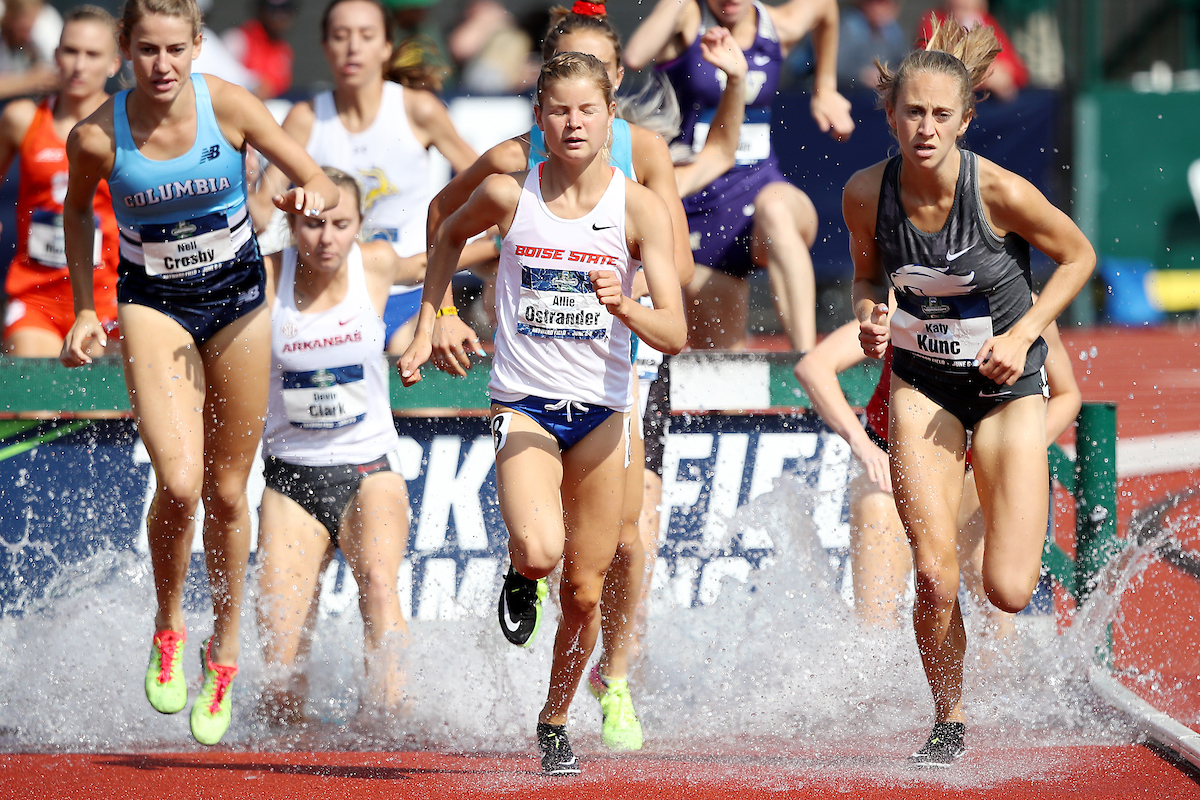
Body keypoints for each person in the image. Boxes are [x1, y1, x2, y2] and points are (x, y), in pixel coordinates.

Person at [424, 2, 742, 753]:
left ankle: (596, 692)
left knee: (614, 559)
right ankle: (523, 571)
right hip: (530, 390)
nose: (574, 118)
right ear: (543, 102)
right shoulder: (512, 172)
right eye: (560, 103)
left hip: (619, 382)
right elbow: (445, 222)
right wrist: (433, 312)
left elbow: (677, 303)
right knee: (542, 549)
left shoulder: (644, 165)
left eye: (591, 99)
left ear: (614, 93)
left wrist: (625, 297)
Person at [59, 0, 338, 746]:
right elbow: (79, 211)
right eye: (146, 49)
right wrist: (86, 307)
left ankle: (227, 648)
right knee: (178, 483)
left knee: (224, 490)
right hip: (154, 302)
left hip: (239, 301)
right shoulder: (97, 134)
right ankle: (170, 622)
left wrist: (305, 193)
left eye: (175, 49)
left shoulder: (232, 104)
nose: (161, 65)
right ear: (125, 49)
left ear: (196, 46)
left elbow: (312, 176)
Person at [846, 18, 1094, 765]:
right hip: (923, 384)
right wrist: (867, 311)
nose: (925, 128)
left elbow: (1078, 256)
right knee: (931, 570)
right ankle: (948, 716)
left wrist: (1024, 336)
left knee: (1010, 591)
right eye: (912, 113)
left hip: (1008, 386)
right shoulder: (867, 193)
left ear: (966, 120)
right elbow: (864, 273)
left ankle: (1003, 498)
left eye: (940, 115)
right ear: (891, 116)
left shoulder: (995, 189)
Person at [794, 314, 1081, 628]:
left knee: (998, 618)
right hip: (896, 469)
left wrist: (1018, 451)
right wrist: (862, 446)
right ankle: (895, 676)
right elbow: (813, 367)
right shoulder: (907, 295)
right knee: (877, 621)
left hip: (975, 471)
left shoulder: (1025, 305)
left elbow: (1067, 395)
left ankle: (997, 675)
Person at [256, 167, 411, 727]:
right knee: (279, 662)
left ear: (360, 226)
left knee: (378, 586)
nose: (327, 239)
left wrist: (440, 316)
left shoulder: (375, 263)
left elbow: (441, 262)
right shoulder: (268, 275)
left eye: (341, 224)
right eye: (313, 224)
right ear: (292, 224)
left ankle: (392, 734)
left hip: (370, 468)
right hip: (291, 476)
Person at [625, 0, 856, 352]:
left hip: (761, 191)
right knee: (721, 372)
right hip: (697, 204)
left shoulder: (775, 27)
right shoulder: (687, 19)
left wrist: (825, 86)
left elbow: (824, 8)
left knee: (776, 209)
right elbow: (635, 56)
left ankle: (808, 363)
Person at [255, 0, 481, 355]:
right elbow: (261, 208)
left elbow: (487, 185)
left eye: (366, 35)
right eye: (341, 36)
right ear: (325, 47)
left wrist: (477, 250)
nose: (353, 47)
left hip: (414, 291)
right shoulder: (305, 118)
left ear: (386, 47)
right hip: (335, 292)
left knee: (412, 369)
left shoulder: (418, 109)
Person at [1, 5, 121, 357]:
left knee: (104, 411)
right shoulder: (22, 119)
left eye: (92, 54)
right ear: (56, 55)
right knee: (32, 401)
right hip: (36, 296)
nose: (79, 65)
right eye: (71, 51)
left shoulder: (128, 127)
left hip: (107, 300)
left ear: (114, 63)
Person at [917, 0, 1027, 102]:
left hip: (992, 99)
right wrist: (985, 73)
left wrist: (1004, 73)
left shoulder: (985, 21)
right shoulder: (935, 21)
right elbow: (939, 66)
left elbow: (1019, 71)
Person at [221, 0, 297, 100]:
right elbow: (221, 80)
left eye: (285, 9)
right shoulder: (237, 39)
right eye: (273, 10)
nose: (280, 16)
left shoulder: (285, 50)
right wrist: (254, 84)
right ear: (260, 10)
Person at [837, 0, 908, 92]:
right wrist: (862, 76)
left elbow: (904, 61)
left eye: (886, 3)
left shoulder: (893, 30)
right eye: (876, 3)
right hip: (851, 92)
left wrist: (893, 75)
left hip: (881, 92)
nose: (880, 8)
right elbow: (834, 68)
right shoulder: (850, 26)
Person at [0, 0, 61, 101]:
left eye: (30, 28)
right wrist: (29, 81)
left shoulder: (31, 46)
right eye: (23, 28)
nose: (27, 35)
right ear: (9, 19)